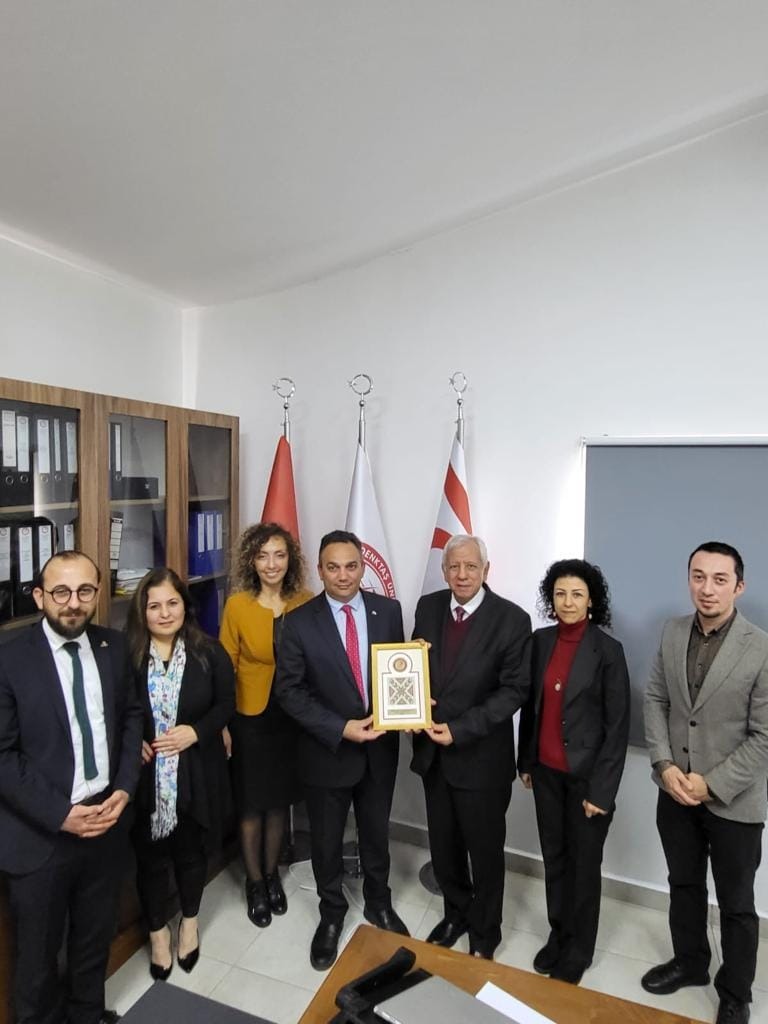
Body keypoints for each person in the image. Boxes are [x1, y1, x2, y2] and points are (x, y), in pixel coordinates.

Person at [0, 551, 142, 1024]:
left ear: (98, 594)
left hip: (105, 823)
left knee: (92, 942)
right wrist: (60, 814)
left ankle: (87, 1015)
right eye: (61, 592)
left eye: (84, 591)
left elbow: (132, 718)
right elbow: (2, 756)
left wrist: (124, 787)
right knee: (37, 962)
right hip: (40, 834)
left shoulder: (113, 646)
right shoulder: (9, 659)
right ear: (40, 596)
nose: (73, 603)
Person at [643, 541, 768, 1024]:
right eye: (699, 576)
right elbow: (656, 699)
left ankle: (735, 993)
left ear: (739, 586)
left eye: (719, 579)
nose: (707, 588)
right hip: (673, 790)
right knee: (684, 883)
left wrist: (709, 784)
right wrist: (664, 765)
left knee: (737, 904)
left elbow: (764, 736)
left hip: (734, 801)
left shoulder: (761, 647)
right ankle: (690, 962)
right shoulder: (672, 631)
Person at [274, 529, 409, 971]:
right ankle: (331, 913)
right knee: (327, 841)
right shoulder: (297, 622)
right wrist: (340, 727)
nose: (343, 575)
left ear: (363, 566)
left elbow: (397, 672)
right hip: (327, 752)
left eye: (351, 566)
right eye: (333, 567)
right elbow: (289, 692)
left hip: (380, 751)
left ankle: (379, 903)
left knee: (376, 833)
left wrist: (410, 696)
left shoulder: (389, 611)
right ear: (319, 570)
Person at [410, 534, 531, 960]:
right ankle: (456, 914)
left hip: (481, 760)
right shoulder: (427, 607)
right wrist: (411, 701)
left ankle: (485, 929)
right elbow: (413, 667)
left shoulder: (512, 620)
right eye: (454, 567)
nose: (462, 575)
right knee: (444, 850)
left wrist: (460, 729)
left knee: (485, 853)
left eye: (471, 567)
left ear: (486, 570)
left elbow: (513, 691)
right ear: (444, 571)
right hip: (433, 756)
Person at [518, 559, 630, 984]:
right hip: (545, 773)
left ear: (591, 601)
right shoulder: (540, 641)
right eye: (560, 594)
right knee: (555, 859)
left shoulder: (608, 651)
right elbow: (531, 708)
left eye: (577, 594)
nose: (567, 602)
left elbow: (617, 729)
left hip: (586, 781)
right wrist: (525, 761)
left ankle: (578, 950)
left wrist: (602, 792)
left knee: (583, 866)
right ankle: (559, 934)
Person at [126, 567, 234, 980]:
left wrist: (197, 732)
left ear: (185, 607)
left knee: (191, 853)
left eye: (172, 603)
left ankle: (189, 922)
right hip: (145, 776)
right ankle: (157, 932)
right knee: (150, 860)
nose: (165, 613)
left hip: (196, 771)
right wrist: (131, 740)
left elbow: (226, 704)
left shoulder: (210, 652)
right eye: (154, 606)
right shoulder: (127, 656)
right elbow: (116, 709)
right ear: (143, 611)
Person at [219, 522, 312, 927]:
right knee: (251, 803)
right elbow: (225, 668)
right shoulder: (237, 606)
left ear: (290, 559)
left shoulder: (306, 601)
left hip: (291, 720)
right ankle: (255, 883)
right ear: (251, 561)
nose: (271, 564)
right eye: (262, 556)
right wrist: (222, 723)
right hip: (249, 718)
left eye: (279, 555)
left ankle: (273, 874)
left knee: (278, 801)